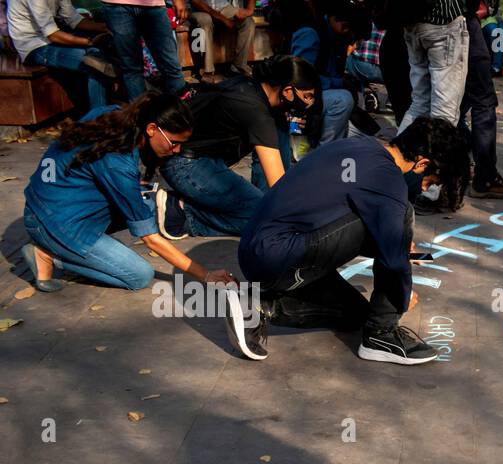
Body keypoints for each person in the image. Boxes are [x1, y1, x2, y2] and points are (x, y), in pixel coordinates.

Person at [236, 118, 468, 363]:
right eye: (429, 183)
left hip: (262, 251)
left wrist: (400, 248)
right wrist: (401, 297)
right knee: (402, 217)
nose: (423, 190)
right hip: (277, 254)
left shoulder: (360, 145)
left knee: (355, 314)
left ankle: (260, 305)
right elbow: (393, 259)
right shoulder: (388, 179)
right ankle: (382, 335)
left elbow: (347, 223)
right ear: (422, 163)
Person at [20, 93, 237, 294]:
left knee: (146, 205)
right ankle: (47, 254)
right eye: (174, 143)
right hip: (54, 223)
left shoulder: (115, 115)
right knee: (139, 275)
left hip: (48, 203)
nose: (177, 150)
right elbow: (150, 239)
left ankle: (65, 248)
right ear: (152, 129)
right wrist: (206, 275)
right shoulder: (117, 161)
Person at [155, 56, 321, 239]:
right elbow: (279, 187)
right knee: (265, 223)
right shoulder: (255, 110)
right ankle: (182, 213)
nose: (309, 102)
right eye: (307, 96)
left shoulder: (259, 93)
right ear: (288, 91)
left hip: (204, 160)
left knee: (272, 214)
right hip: (185, 165)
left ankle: (261, 206)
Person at [4, 0, 115, 114]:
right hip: (34, 47)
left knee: (98, 54)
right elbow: (52, 34)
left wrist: (107, 28)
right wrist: (89, 42)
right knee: (94, 63)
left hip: (52, 39)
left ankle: (101, 112)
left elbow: (73, 18)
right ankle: (98, 117)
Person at [285, 0, 372, 142]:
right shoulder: (311, 34)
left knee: (356, 96)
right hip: (298, 99)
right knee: (343, 99)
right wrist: (338, 83)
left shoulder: (336, 37)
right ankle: (326, 150)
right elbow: (300, 79)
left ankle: (339, 144)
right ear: (340, 23)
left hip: (320, 93)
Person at [462, 2, 503, 198]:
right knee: (483, 100)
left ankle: (452, 167)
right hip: (459, 23)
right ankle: (485, 176)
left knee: (448, 103)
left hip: (424, 27)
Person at [398, 0, 470, 130]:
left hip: (413, 26)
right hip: (442, 24)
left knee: (420, 104)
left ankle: (400, 150)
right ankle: (434, 150)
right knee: (444, 114)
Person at [99, 0, 188, 100]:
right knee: (131, 68)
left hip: (153, 5)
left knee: (171, 64)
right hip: (116, 6)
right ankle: (140, 113)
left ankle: (182, 110)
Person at [186, 0, 257, 81]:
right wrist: (224, 19)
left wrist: (250, 10)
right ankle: (208, 71)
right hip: (197, 9)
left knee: (248, 22)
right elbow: (196, 2)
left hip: (222, 7)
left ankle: (240, 64)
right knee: (205, 21)